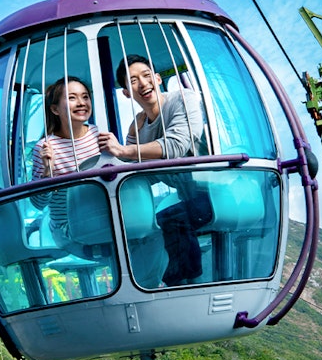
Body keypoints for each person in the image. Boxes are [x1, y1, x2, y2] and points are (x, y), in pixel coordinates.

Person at [99, 55, 211, 285]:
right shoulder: (139, 126)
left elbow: (177, 145)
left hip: (214, 190)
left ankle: (190, 285)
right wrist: (127, 141)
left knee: (169, 220)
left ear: (158, 78)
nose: (143, 83)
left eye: (146, 75)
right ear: (127, 93)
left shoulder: (184, 99)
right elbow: (131, 171)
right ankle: (157, 284)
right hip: (188, 196)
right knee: (146, 227)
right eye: (133, 81)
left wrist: (124, 149)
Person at [31, 76, 101, 250]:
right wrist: (48, 172)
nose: (81, 102)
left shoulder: (98, 134)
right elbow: (38, 204)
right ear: (55, 109)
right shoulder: (45, 147)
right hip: (68, 229)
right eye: (72, 98)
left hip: (100, 217)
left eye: (85, 97)